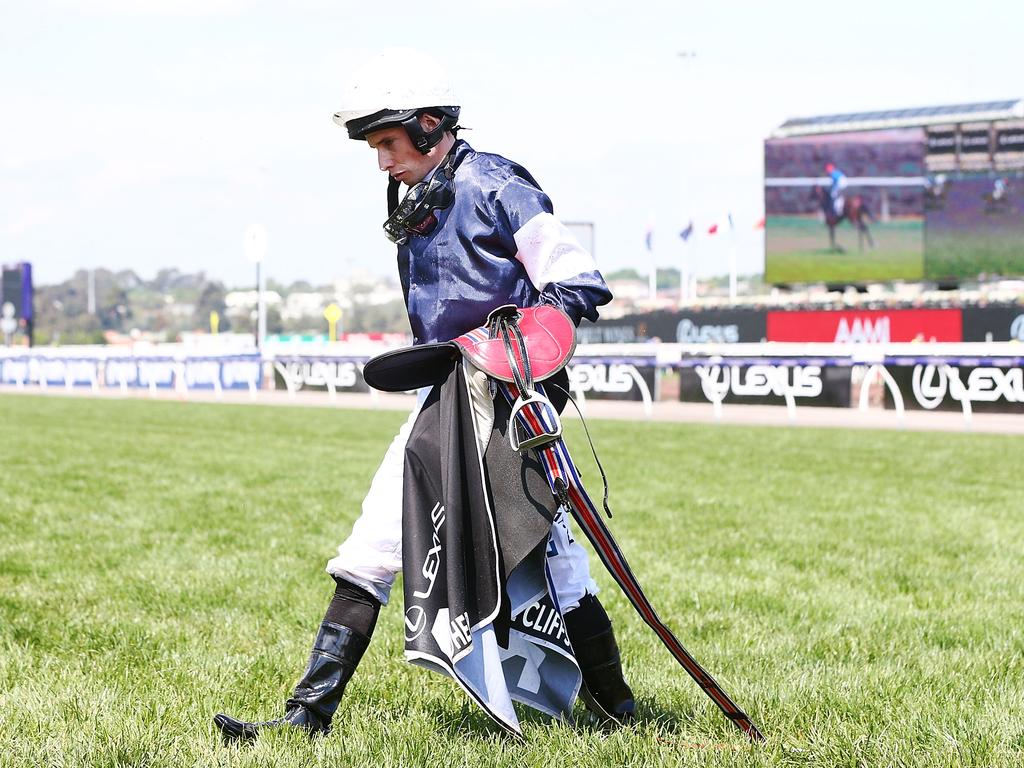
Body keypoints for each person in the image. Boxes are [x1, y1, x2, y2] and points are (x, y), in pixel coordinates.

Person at [213, 50, 633, 742]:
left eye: (387, 143)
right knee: (370, 550)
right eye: (374, 147)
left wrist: (525, 343)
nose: (381, 161)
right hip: (441, 401)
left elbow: (577, 277)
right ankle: (303, 720)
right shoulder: (418, 199)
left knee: (559, 566)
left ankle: (619, 714)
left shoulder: (497, 184)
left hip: (513, 408)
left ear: (430, 123)